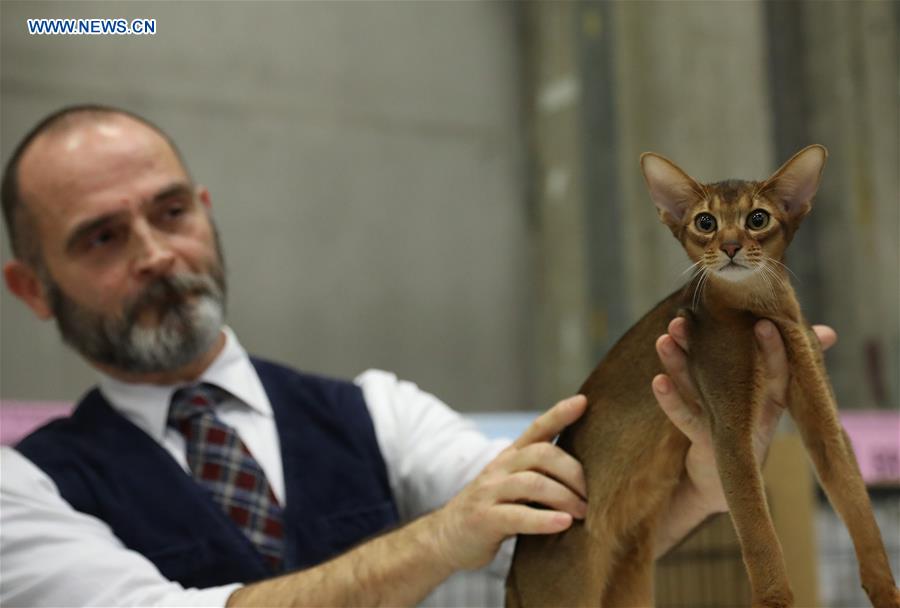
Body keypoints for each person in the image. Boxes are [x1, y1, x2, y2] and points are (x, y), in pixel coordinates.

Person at [0, 105, 836, 607]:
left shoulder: (377, 409)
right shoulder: (20, 491)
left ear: (206, 215)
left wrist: (692, 481)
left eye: (170, 210)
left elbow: (550, 539)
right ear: (32, 288)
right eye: (103, 237)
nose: (155, 253)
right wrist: (438, 540)